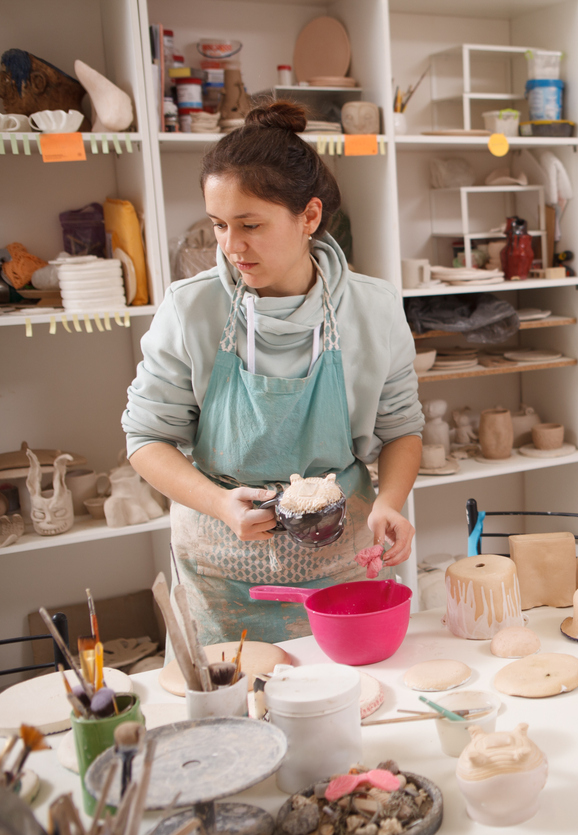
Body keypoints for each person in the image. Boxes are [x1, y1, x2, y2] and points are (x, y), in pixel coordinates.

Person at [123, 102, 424, 645]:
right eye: (219, 225)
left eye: (250, 225)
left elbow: (401, 427)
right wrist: (219, 503)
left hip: (338, 567)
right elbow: (145, 439)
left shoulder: (373, 309)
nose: (231, 246)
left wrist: (389, 503)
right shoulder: (191, 309)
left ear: (308, 217)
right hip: (219, 574)